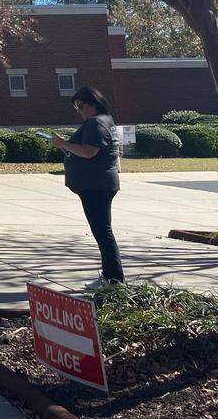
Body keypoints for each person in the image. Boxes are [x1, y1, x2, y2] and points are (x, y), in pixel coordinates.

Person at [52, 86, 125, 287]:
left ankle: (114, 280)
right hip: (101, 183)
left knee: (103, 232)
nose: (80, 112)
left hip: (95, 186)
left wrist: (63, 144)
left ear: (93, 103)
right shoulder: (106, 120)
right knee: (103, 231)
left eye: (82, 106)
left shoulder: (95, 123)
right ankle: (110, 276)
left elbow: (89, 152)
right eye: (77, 108)